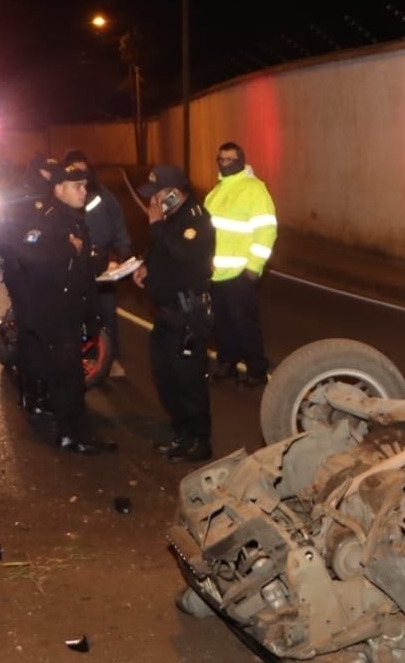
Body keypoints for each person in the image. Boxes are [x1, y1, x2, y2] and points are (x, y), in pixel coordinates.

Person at [15, 161, 110, 453]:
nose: (84, 191)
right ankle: (74, 436)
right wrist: (70, 248)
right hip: (54, 311)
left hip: (72, 308)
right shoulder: (47, 216)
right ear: (59, 188)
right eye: (77, 186)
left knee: (68, 374)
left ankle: (72, 429)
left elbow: (85, 257)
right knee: (68, 376)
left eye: (85, 185)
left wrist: (100, 260)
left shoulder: (73, 217)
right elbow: (31, 252)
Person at [134, 164, 215, 461]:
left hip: (188, 315)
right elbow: (161, 253)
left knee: (189, 382)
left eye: (157, 194)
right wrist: (146, 265)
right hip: (167, 315)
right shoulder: (170, 218)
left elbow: (184, 255)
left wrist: (157, 227)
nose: (152, 201)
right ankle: (181, 434)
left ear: (174, 193)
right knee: (165, 378)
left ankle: (199, 442)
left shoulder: (195, 219)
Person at [204, 141, 277, 386]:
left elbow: (266, 230)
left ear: (241, 161)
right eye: (221, 159)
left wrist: (254, 267)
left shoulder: (254, 189)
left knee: (245, 323)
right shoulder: (215, 192)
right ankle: (228, 363)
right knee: (221, 324)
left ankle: (257, 370)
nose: (225, 164)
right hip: (216, 274)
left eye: (230, 160)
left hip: (240, 273)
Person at [63, 148, 132, 378]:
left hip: (103, 264)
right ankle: (79, 360)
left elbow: (118, 221)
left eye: (84, 170)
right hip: (75, 265)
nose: (81, 177)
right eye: (75, 171)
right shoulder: (62, 199)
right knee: (76, 314)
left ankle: (112, 360)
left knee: (106, 312)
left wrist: (122, 250)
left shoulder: (103, 195)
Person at [0, 154, 55, 415]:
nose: (49, 179)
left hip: (39, 275)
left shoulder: (49, 196)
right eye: (46, 173)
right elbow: (15, 240)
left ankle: (38, 391)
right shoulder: (20, 196)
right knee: (30, 334)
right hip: (21, 273)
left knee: (39, 334)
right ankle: (30, 394)